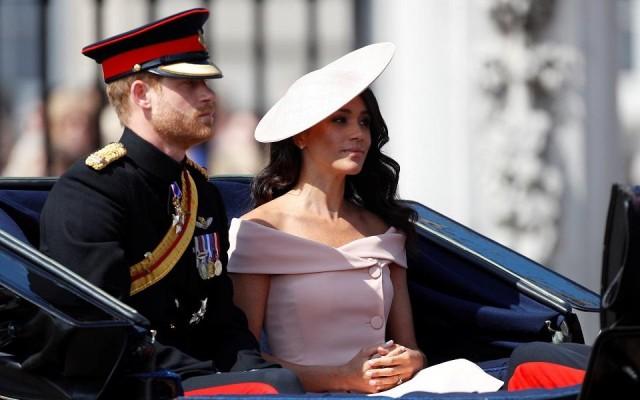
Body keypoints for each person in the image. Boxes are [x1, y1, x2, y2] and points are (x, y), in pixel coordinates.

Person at [30, 8, 302, 396]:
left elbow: (221, 316)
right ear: (142, 95)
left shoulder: (198, 191)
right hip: (134, 381)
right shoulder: (92, 192)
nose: (208, 96)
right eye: (189, 86)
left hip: (187, 373)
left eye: (206, 83)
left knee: (279, 384)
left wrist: (249, 368)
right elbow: (97, 328)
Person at [227, 43, 428, 393]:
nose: (358, 134)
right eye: (340, 120)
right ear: (301, 135)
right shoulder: (260, 231)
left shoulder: (383, 229)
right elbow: (244, 361)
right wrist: (342, 377)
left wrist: (413, 361)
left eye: (364, 122)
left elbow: (410, 348)